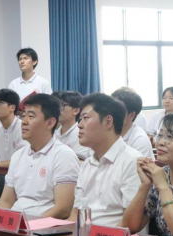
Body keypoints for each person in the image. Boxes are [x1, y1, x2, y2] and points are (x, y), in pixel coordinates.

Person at [0, 94, 79, 219]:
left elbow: (63, 209)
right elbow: (6, 202)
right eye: (23, 116)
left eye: (31, 116)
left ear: (50, 123)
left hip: (43, 226)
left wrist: (31, 225)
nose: (24, 121)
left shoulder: (63, 156)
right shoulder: (18, 155)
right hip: (16, 224)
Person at [68, 93, 141, 227]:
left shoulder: (132, 161)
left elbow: (131, 224)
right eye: (80, 119)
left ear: (108, 122)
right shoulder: (87, 163)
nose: (79, 125)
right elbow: (75, 213)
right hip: (84, 235)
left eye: (85, 118)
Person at [112, 87, 155, 159]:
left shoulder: (140, 140)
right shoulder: (106, 131)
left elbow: (133, 166)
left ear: (131, 115)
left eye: (118, 111)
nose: (111, 114)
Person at [54, 91, 91, 160]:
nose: (57, 110)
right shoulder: (54, 134)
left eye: (62, 105)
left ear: (76, 111)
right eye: (57, 106)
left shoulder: (80, 134)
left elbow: (79, 162)